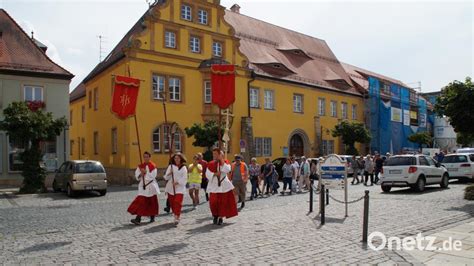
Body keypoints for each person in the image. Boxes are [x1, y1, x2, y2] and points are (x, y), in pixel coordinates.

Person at [206, 148, 238, 225]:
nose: (214, 156)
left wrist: (222, 161)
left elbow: (227, 170)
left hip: (223, 186)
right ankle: (215, 215)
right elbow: (207, 174)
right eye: (213, 154)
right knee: (213, 203)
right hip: (214, 186)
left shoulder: (225, 162)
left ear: (220, 155)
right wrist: (214, 174)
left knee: (222, 203)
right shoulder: (210, 163)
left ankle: (220, 217)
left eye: (216, 154)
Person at [127, 152, 160, 225]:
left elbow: (153, 176)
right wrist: (141, 174)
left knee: (152, 202)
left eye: (147, 157)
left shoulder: (153, 166)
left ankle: (152, 216)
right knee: (141, 202)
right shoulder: (141, 166)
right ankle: (138, 218)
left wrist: (146, 173)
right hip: (143, 187)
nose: (145, 158)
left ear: (149, 157)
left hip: (150, 186)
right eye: (144, 157)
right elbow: (137, 176)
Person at [164, 153, 188, 226]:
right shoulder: (171, 166)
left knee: (177, 202)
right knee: (172, 203)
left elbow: (185, 178)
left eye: (178, 158)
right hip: (171, 188)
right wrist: (169, 174)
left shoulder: (183, 167)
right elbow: (166, 177)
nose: (176, 159)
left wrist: (178, 182)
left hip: (180, 188)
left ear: (181, 159)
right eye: (175, 158)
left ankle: (176, 217)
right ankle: (176, 214)